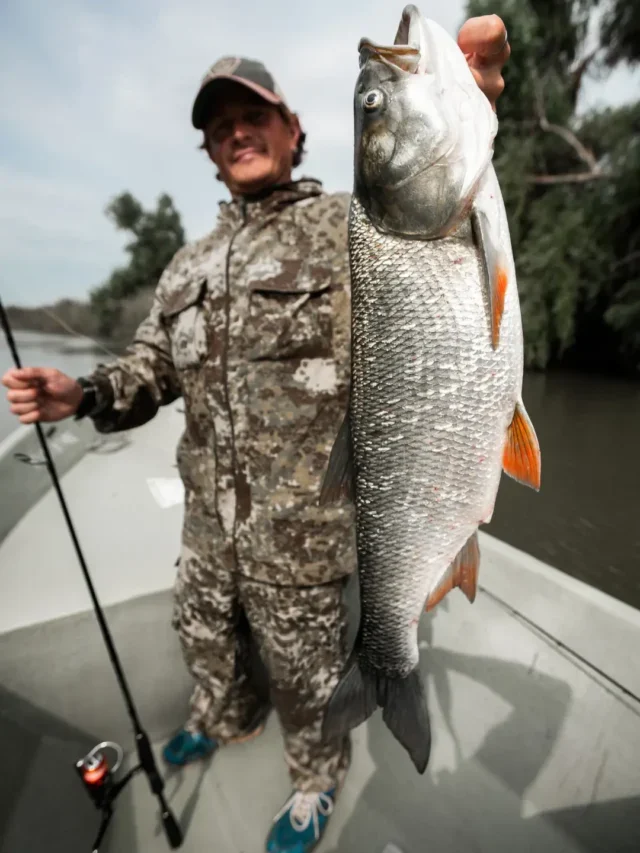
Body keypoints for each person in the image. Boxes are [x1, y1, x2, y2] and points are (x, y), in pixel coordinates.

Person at [3, 16, 510, 853]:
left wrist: (468, 116)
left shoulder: (354, 226)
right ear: (207, 151)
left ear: (293, 129)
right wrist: (82, 391)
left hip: (307, 550)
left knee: (314, 691)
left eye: (252, 114)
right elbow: (150, 368)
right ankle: (221, 718)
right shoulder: (186, 264)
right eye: (217, 125)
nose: (235, 132)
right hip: (208, 534)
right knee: (206, 643)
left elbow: (444, 234)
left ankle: (314, 782)